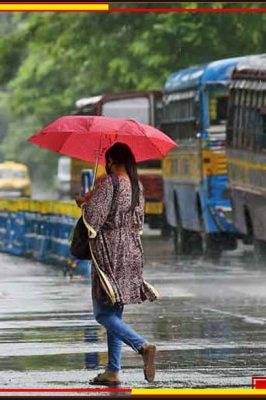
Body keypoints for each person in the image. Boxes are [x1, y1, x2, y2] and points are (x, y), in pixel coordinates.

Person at [75, 142, 160, 387]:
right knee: (115, 312)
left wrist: (85, 202)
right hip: (131, 251)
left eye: (106, 161)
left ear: (111, 160)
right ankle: (113, 370)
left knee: (102, 313)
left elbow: (93, 220)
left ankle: (142, 346)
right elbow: (138, 220)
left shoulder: (108, 183)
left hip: (109, 252)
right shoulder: (136, 186)